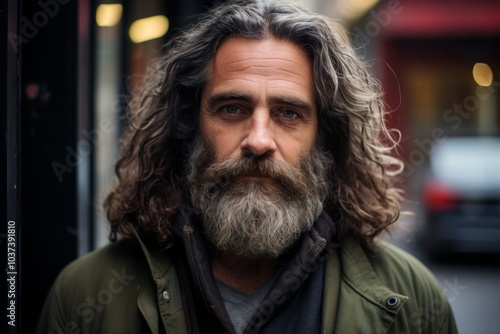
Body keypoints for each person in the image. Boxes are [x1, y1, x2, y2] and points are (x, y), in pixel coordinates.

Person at [37, 1, 458, 333]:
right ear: (189, 126)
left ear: (326, 137)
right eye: (232, 108)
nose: (258, 140)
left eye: (289, 113)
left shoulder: (409, 300)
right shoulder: (85, 296)